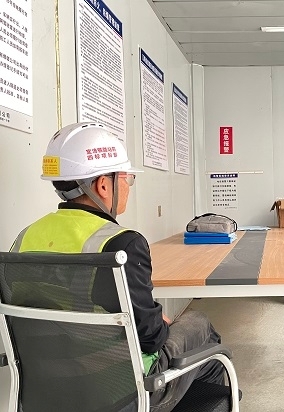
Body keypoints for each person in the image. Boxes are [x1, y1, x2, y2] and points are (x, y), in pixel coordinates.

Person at [10, 122, 225, 412]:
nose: (128, 187)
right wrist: (158, 320)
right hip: (122, 390)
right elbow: (151, 339)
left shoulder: (24, 237)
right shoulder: (121, 244)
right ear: (103, 185)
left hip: (46, 387)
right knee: (201, 327)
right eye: (126, 178)